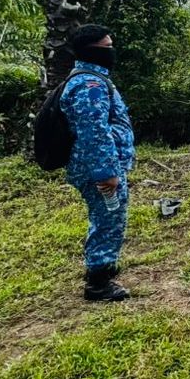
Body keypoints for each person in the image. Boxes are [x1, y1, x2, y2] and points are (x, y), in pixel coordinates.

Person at [61, 24, 136, 302]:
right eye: (107, 47)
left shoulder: (93, 78)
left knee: (106, 217)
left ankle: (103, 267)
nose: (112, 51)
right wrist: (107, 173)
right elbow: (94, 132)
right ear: (92, 50)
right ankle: (98, 283)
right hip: (99, 170)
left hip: (99, 166)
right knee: (108, 220)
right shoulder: (89, 84)